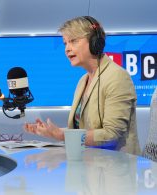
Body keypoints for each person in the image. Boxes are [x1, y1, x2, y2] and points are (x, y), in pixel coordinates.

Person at [24, 16, 140, 155]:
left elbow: (111, 134)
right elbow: (82, 131)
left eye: (73, 41)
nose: (67, 49)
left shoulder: (117, 77)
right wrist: (53, 132)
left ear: (94, 42)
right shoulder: (82, 81)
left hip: (116, 170)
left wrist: (62, 135)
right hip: (87, 167)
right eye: (65, 43)